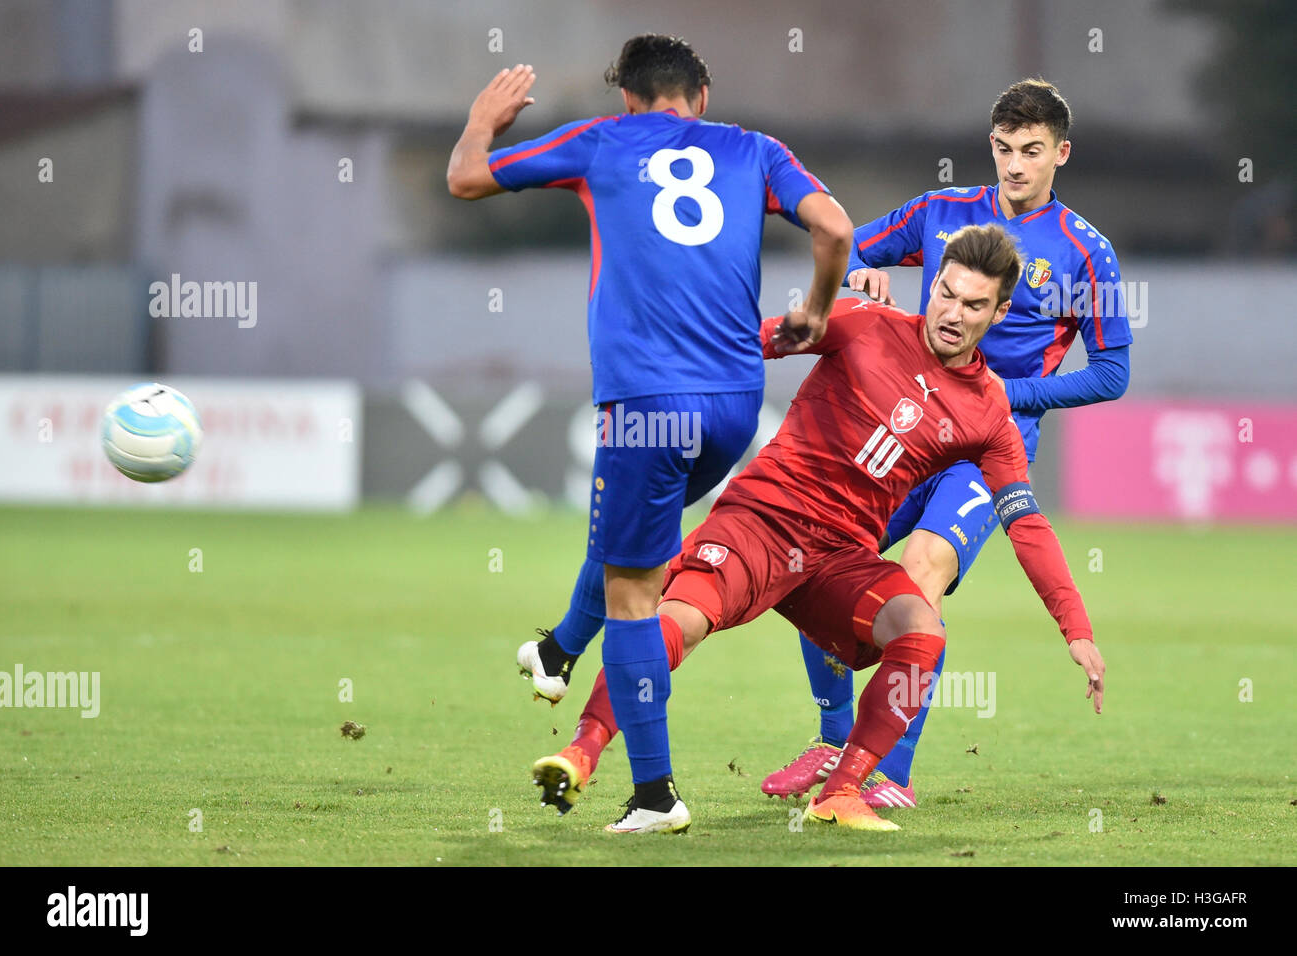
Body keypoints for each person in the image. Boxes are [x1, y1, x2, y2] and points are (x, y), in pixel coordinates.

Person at [537, 224, 1106, 833]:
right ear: (931, 283)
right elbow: (751, 342)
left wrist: (1076, 627)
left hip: (840, 556)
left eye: (973, 305)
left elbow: (1026, 524)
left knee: (922, 634)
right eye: (945, 292)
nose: (952, 313)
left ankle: (842, 791)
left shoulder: (988, 410)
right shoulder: (864, 322)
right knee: (678, 621)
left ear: (998, 313)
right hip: (762, 519)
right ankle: (581, 750)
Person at [445, 34, 853, 799]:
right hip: (735, 408)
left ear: (627, 98)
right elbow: (834, 228)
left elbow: (465, 179)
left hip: (646, 404)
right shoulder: (755, 149)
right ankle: (562, 650)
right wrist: (818, 313)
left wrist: (482, 121)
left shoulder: (602, 141)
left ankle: (653, 796)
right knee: (633, 541)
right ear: (701, 97)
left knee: (637, 589)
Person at [763, 78, 1131, 809]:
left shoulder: (1088, 253)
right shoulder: (941, 214)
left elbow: (1112, 373)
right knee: (818, 559)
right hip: (907, 431)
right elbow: (845, 243)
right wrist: (859, 270)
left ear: (1061, 152)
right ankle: (835, 737)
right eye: (1002, 149)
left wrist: (1002, 397)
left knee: (920, 572)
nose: (1014, 166)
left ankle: (889, 772)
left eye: (1031, 151)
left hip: (987, 446)